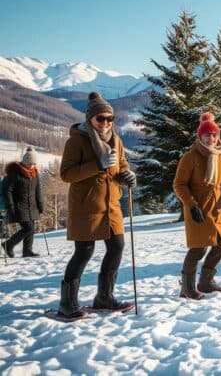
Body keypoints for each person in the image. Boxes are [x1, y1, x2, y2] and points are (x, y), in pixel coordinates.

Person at [58, 92, 137, 318]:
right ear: (90, 118)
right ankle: (67, 303)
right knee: (84, 251)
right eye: (100, 118)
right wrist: (97, 165)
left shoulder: (116, 140)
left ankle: (104, 296)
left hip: (111, 206)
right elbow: (67, 174)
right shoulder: (77, 140)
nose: (105, 123)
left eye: (109, 119)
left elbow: (122, 165)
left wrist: (127, 176)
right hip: (86, 207)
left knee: (117, 246)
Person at [173, 112, 221, 300]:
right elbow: (179, 184)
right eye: (207, 135)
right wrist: (191, 205)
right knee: (198, 249)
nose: (211, 138)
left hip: (216, 208)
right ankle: (187, 287)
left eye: (214, 135)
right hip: (198, 208)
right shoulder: (190, 157)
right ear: (200, 136)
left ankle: (206, 282)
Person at [1, 147, 44, 258]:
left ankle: (27, 251)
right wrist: (10, 206)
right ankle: (8, 245)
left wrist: (40, 204)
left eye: (33, 164)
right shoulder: (15, 173)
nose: (32, 166)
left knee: (31, 228)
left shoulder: (34, 173)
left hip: (32, 206)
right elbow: (7, 190)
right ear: (25, 162)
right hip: (19, 205)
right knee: (28, 228)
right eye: (30, 164)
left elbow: (37, 190)